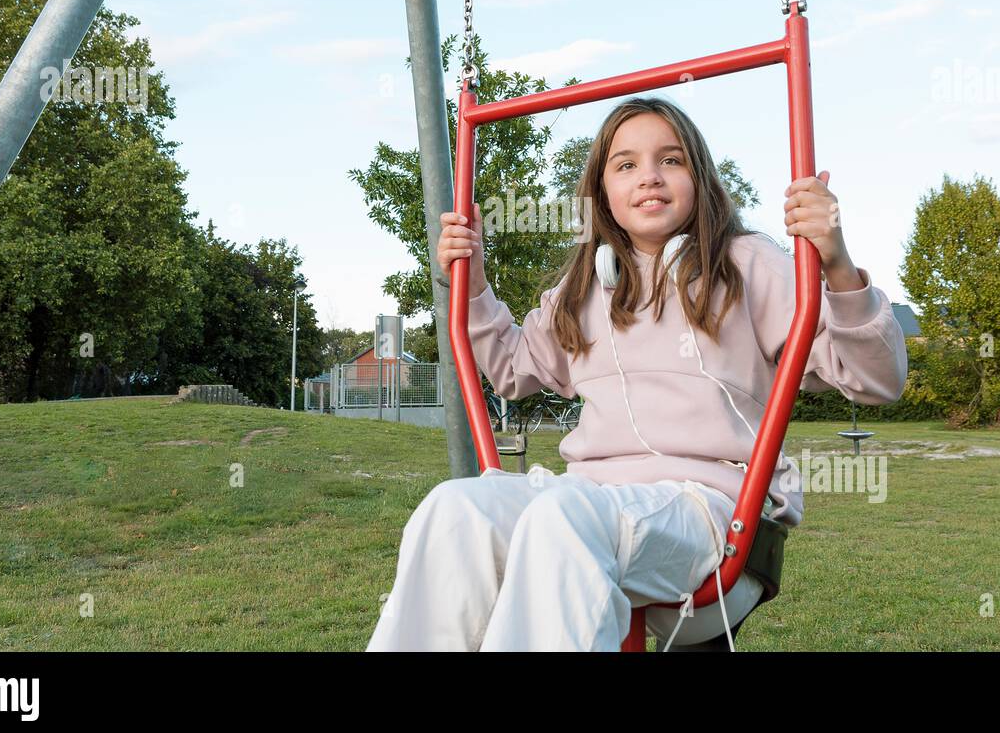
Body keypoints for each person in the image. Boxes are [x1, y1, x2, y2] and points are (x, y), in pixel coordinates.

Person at [366, 95, 907, 651]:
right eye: (625, 165)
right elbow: (511, 367)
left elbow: (876, 379)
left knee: (564, 516)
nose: (649, 176)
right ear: (602, 192)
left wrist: (836, 264)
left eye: (670, 160)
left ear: (699, 177)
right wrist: (473, 286)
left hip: (714, 511)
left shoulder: (748, 264)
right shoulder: (583, 288)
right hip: (590, 505)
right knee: (454, 510)